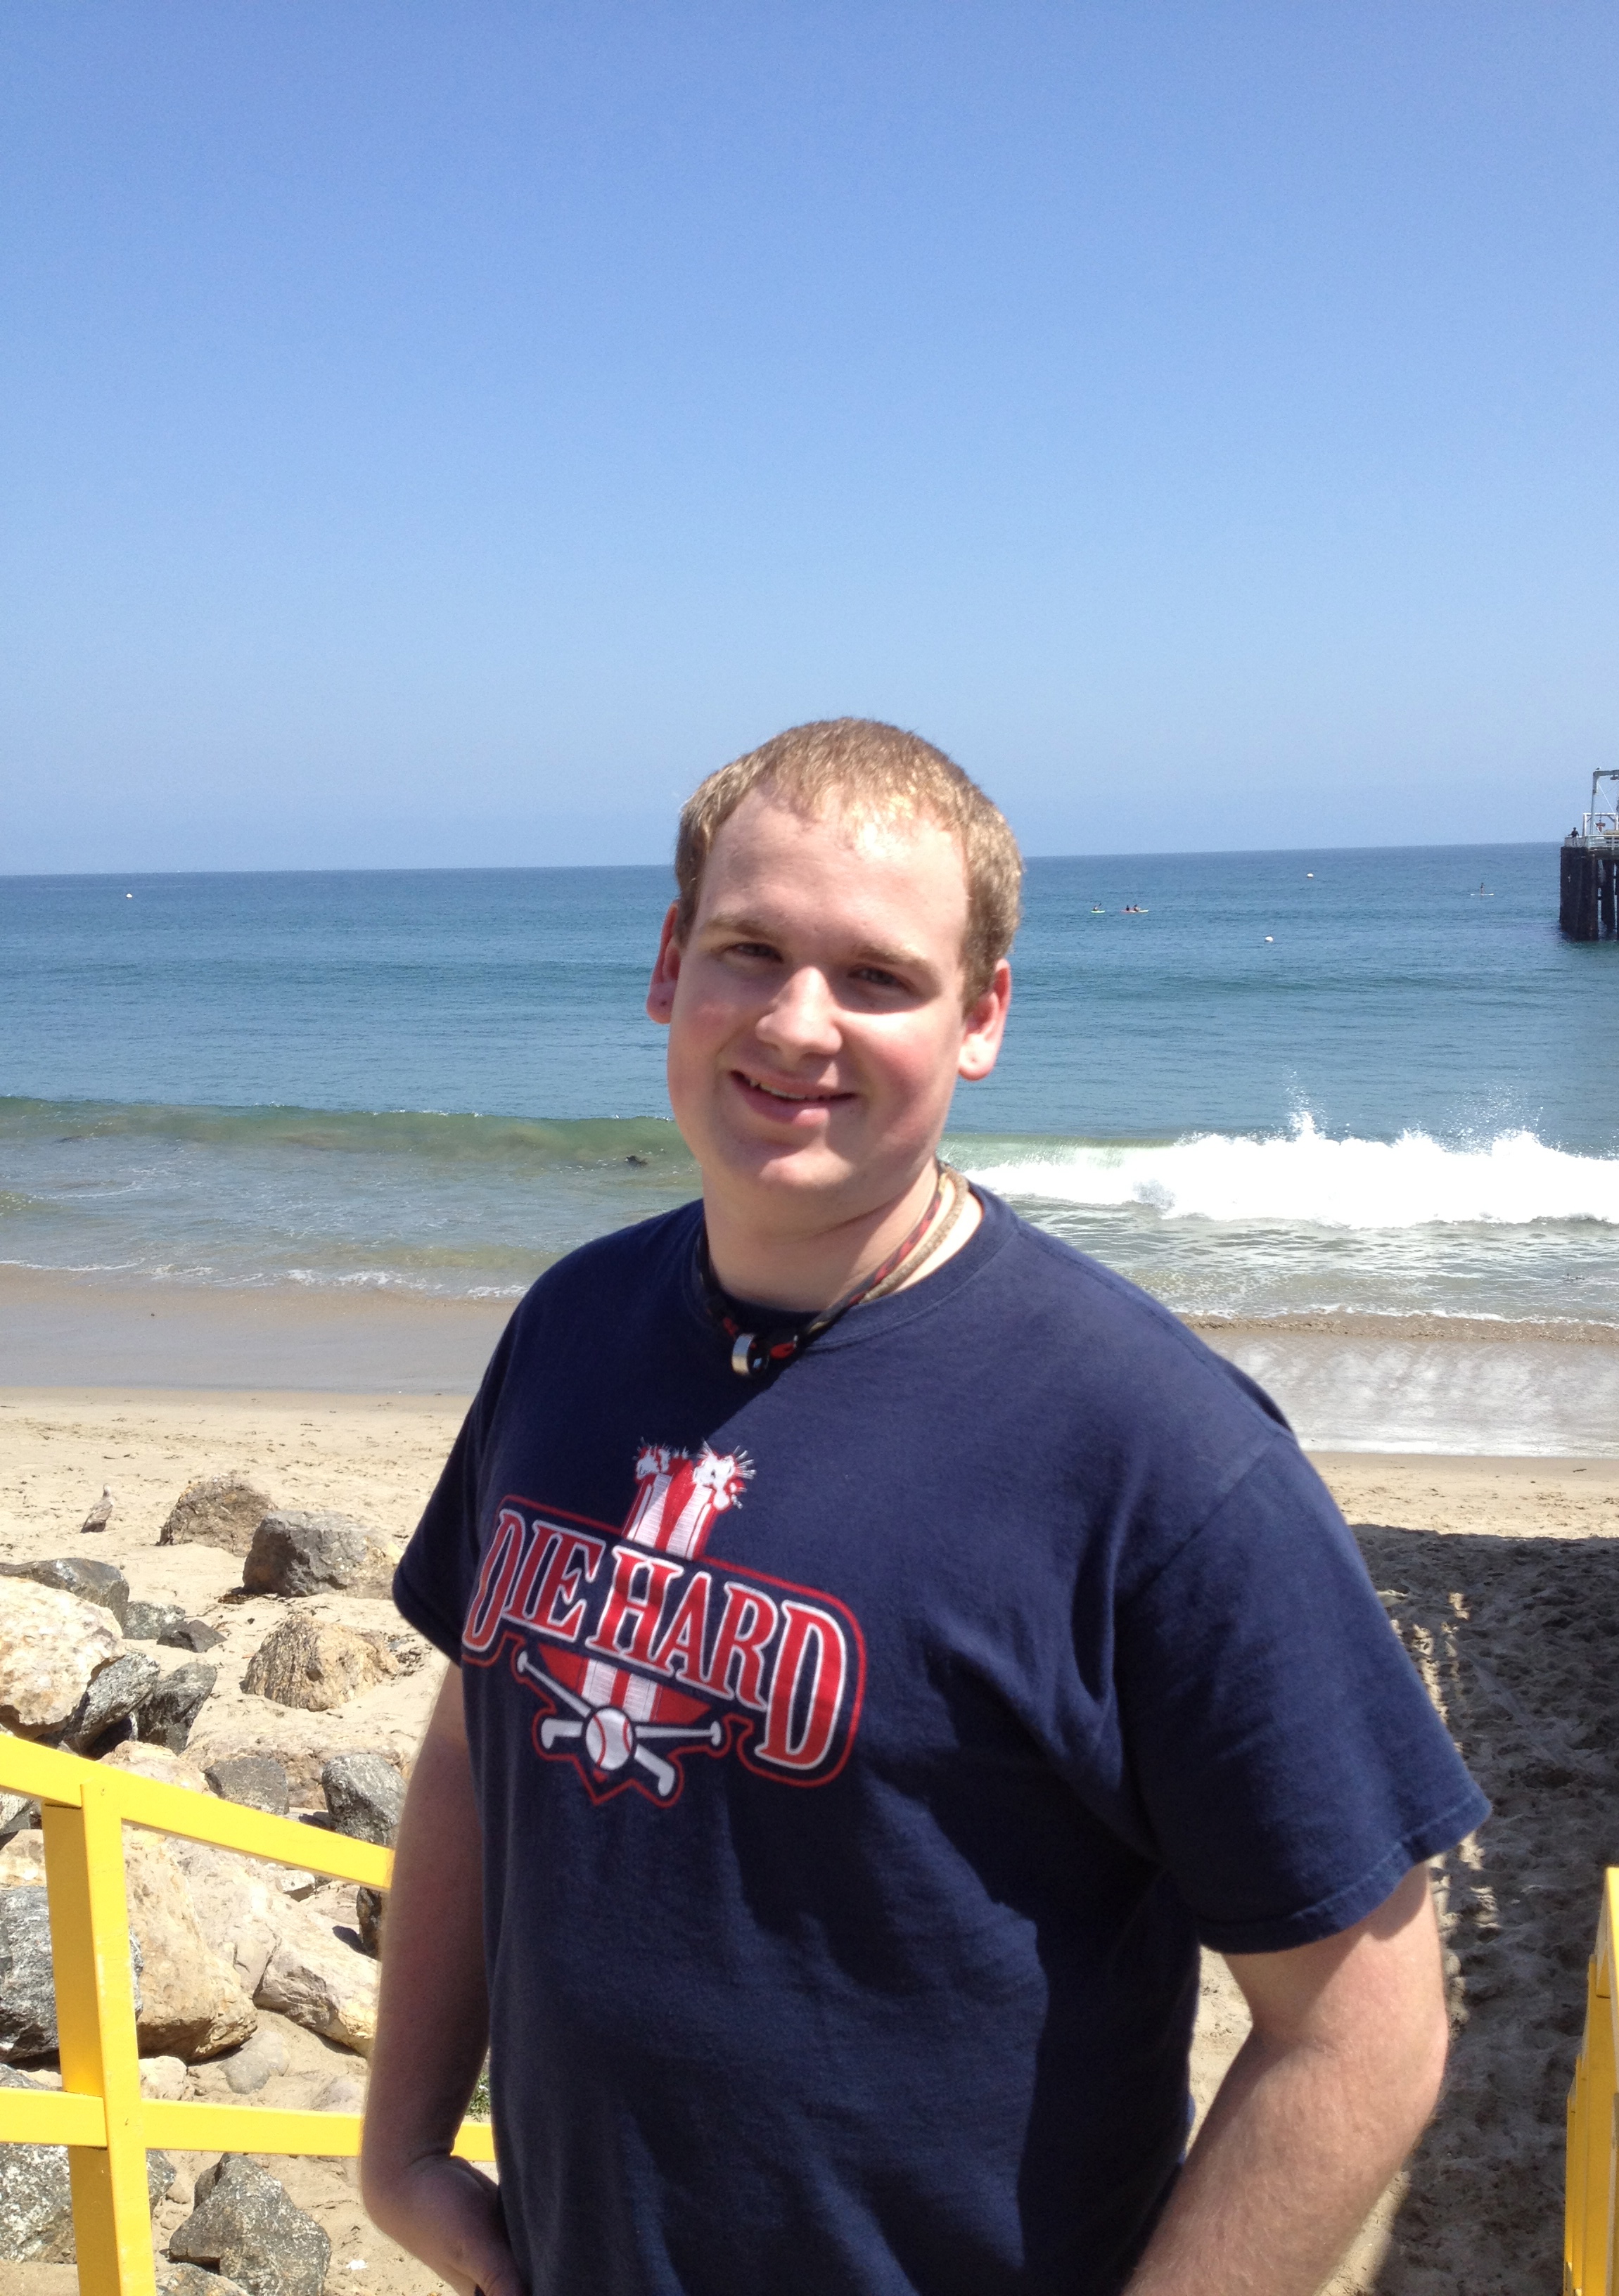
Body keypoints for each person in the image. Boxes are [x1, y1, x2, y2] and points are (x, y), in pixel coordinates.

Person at [362, 718, 1487, 2296]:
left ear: (982, 1019)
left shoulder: (1154, 1453)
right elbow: (488, 1732)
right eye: (749, 949)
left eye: (880, 977)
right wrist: (403, 2141)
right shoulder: (570, 1327)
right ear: (671, 962)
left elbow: (1367, 2025)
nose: (798, 1022)